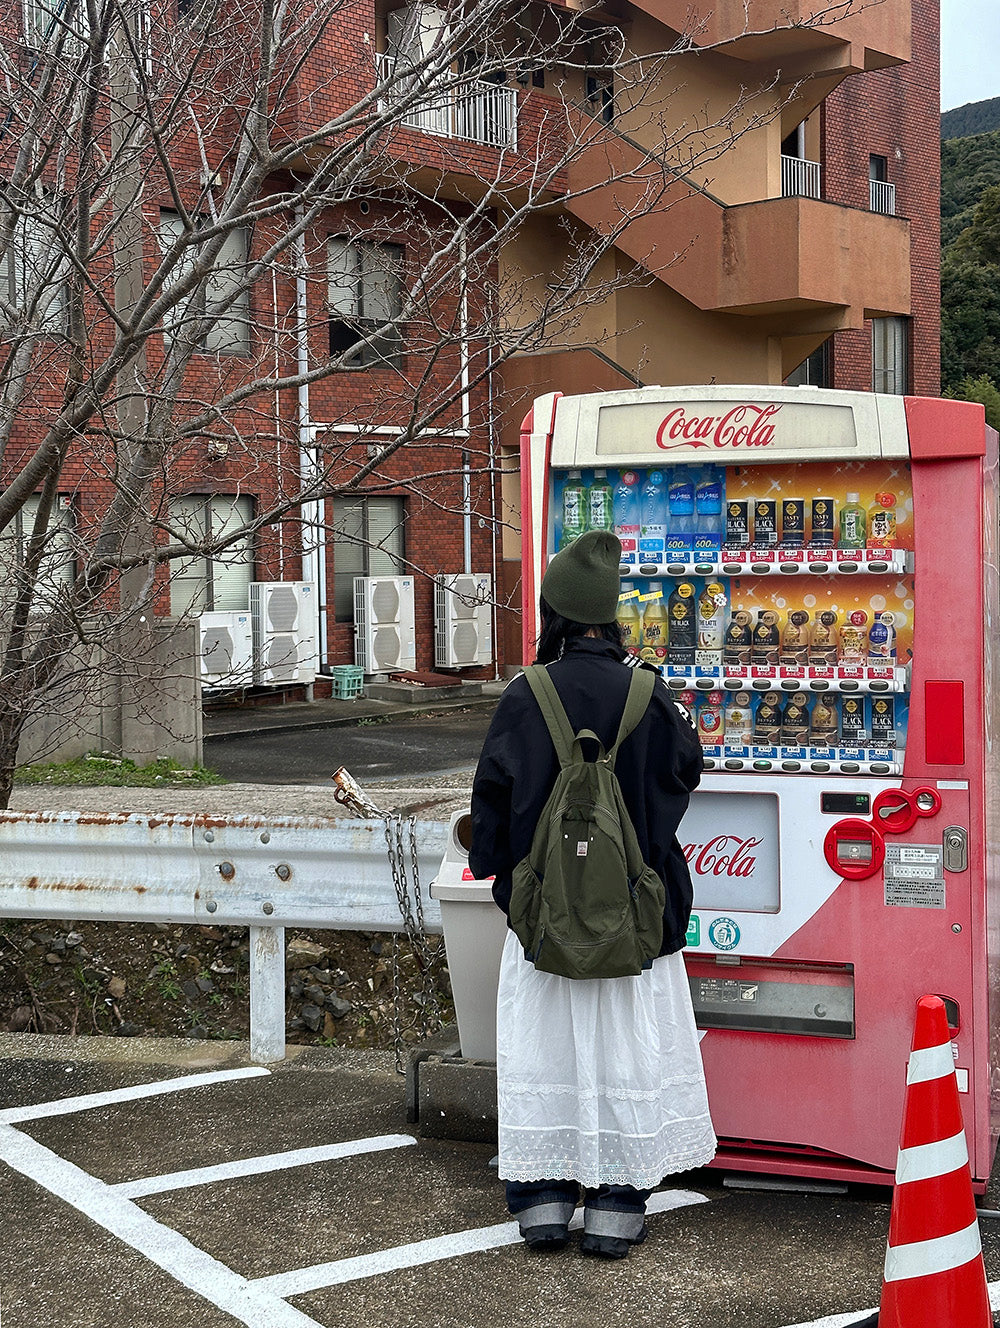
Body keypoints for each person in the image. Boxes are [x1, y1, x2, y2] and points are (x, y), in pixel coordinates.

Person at [469, 529, 716, 1260]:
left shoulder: (526, 695)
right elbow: (682, 777)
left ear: (553, 612)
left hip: (546, 922)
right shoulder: (649, 692)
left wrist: (502, 870)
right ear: (611, 615)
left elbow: (491, 807)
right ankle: (615, 1207)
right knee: (626, 1059)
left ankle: (543, 1205)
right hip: (635, 925)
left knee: (547, 1058)